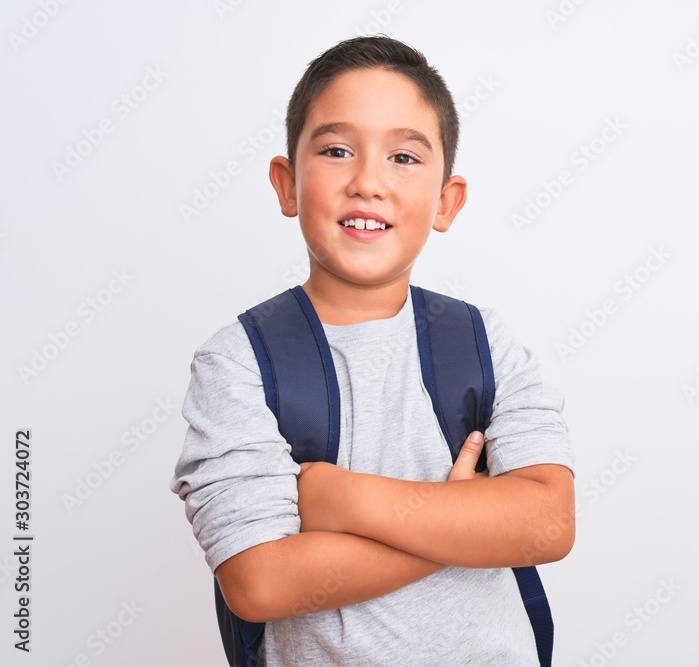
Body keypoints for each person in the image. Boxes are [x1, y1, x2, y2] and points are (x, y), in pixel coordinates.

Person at [169, 35, 575, 666]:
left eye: (404, 158)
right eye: (336, 150)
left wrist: (340, 498)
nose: (368, 182)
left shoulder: (484, 343)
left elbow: (548, 523)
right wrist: (467, 517)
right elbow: (260, 581)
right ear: (287, 185)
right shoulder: (239, 362)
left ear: (446, 201)